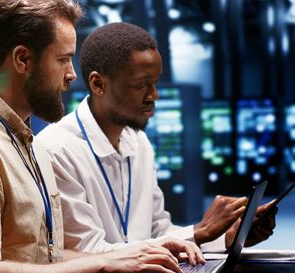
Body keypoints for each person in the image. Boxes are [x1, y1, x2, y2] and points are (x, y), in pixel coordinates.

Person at [0, 1, 204, 273]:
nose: (71, 74)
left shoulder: (27, 144)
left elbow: (47, 258)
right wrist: (104, 266)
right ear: (22, 59)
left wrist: (139, 252)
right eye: (63, 59)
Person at [37, 22, 278, 254]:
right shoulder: (57, 151)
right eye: (141, 85)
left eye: (155, 83)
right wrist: (199, 231)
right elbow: (87, 253)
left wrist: (225, 237)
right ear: (98, 84)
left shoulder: (138, 142)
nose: (154, 95)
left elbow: (158, 232)